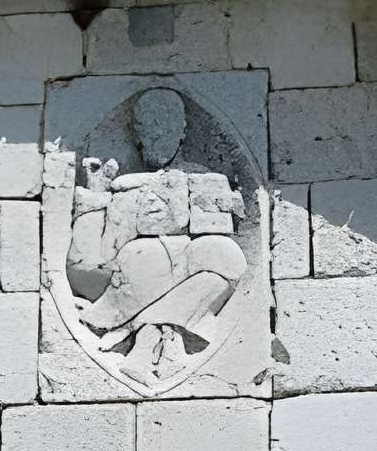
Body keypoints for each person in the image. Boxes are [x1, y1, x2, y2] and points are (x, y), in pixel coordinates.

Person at [63, 85, 248, 382]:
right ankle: (162, 340)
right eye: (148, 127)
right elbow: (86, 267)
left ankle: (141, 332)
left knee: (229, 257)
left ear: (183, 130)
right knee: (145, 256)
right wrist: (96, 198)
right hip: (136, 272)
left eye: (167, 125)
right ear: (136, 134)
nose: (157, 135)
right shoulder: (123, 191)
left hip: (185, 267)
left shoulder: (203, 179)